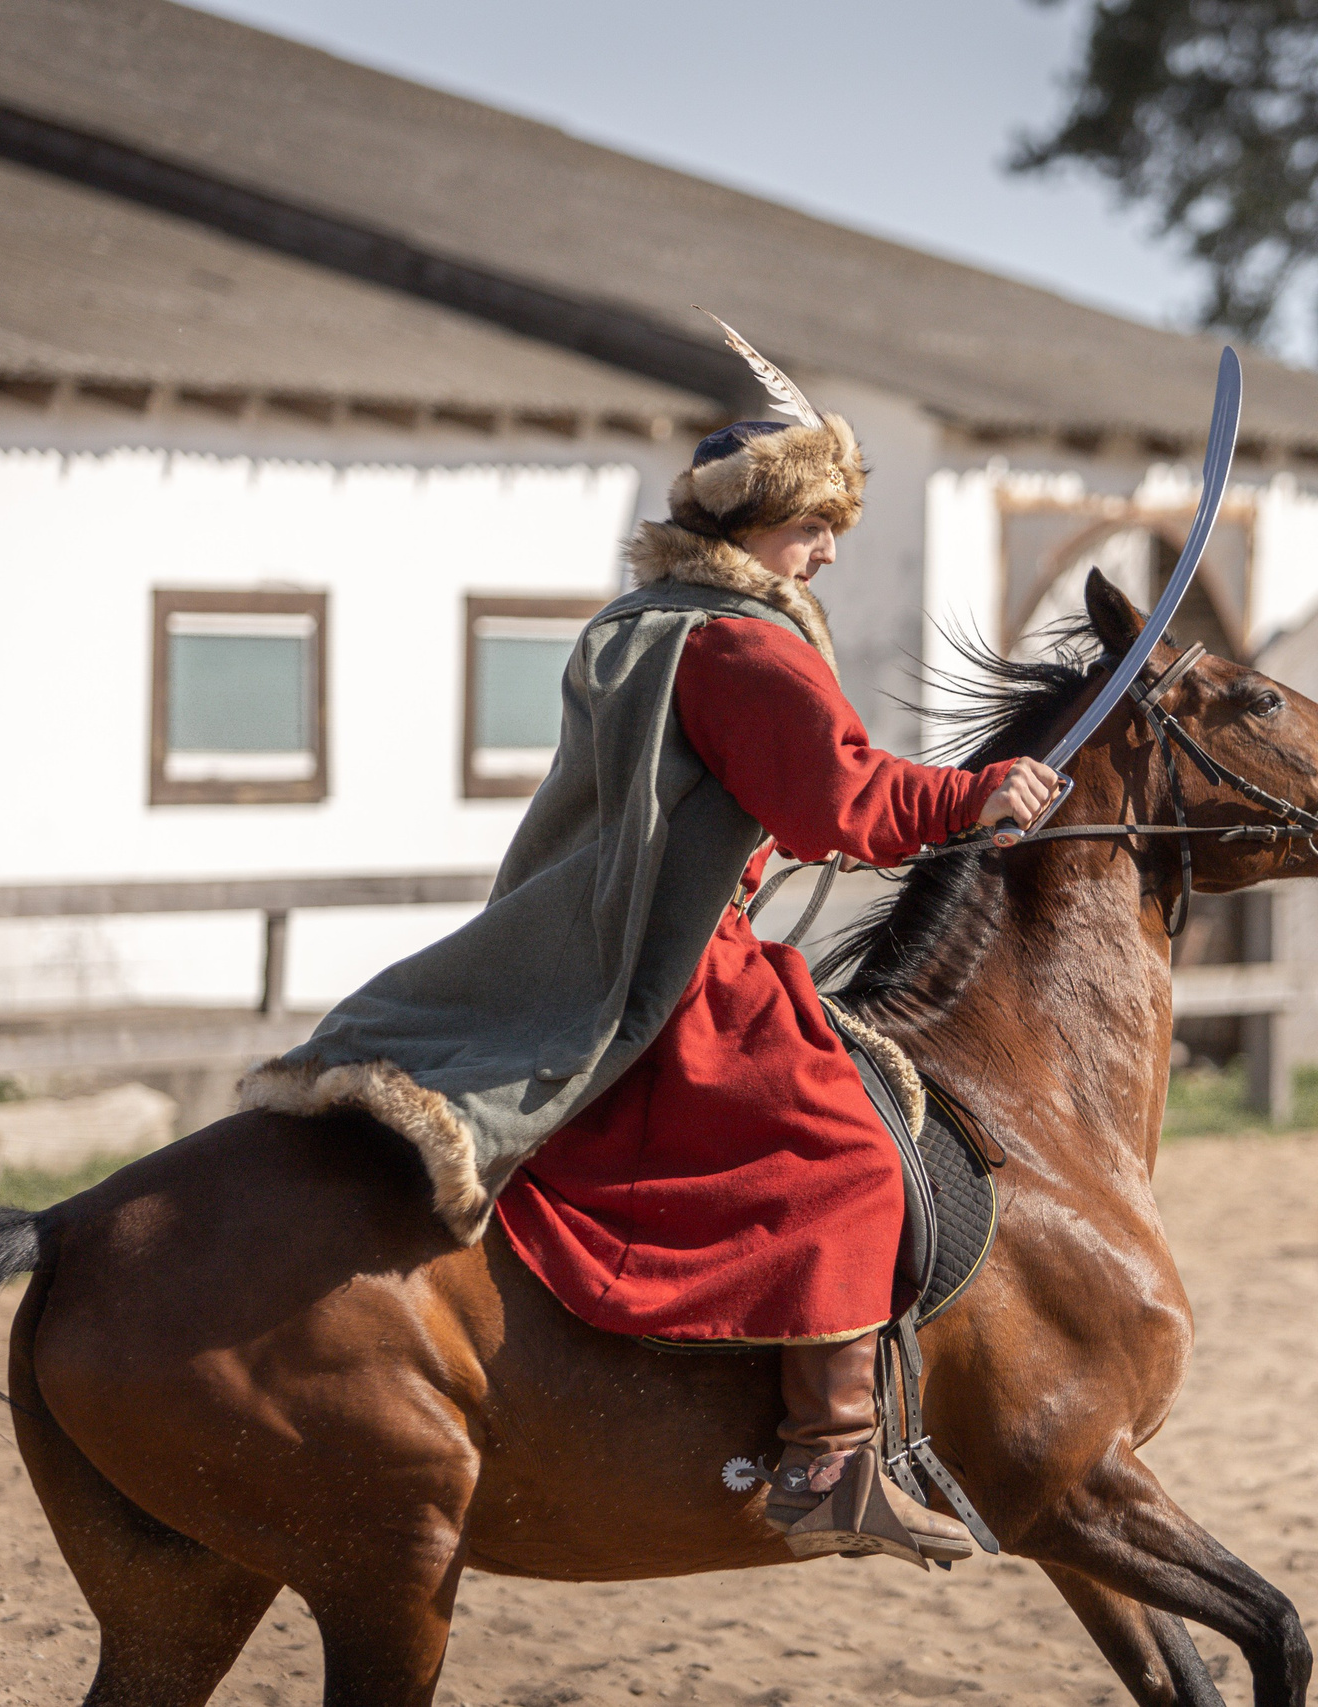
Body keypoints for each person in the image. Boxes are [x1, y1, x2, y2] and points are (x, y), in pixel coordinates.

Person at [240, 322, 1058, 1566]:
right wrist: (976, 796)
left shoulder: (643, 621)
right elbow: (839, 804)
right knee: (849, 1156)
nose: (827, 549)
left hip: (601, 942)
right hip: (680, 971)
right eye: (809, 526)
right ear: (751, 528)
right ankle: (830, 1459)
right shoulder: (741, 645)